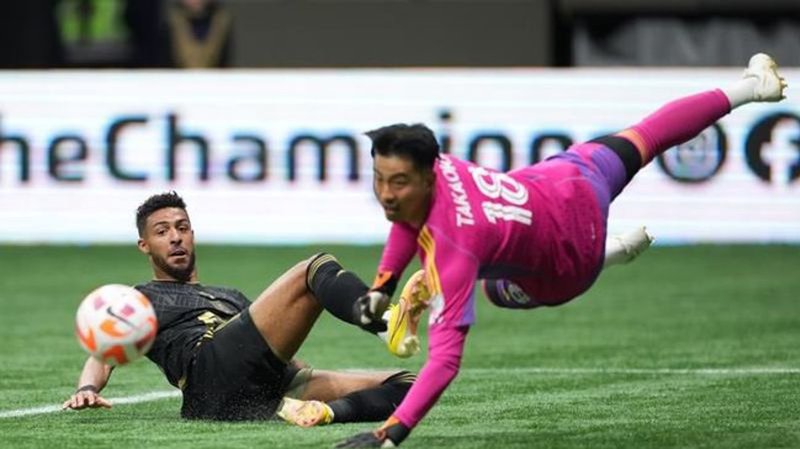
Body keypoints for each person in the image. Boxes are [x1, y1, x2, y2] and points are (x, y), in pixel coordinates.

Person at [333, 53, 788, 447]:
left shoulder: (452, 251)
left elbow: (445, 362)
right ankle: (752, 88)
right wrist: (383, 285)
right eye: (380, 180)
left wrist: (391, 431)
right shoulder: (438, 163)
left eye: (398, 182)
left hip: (571, 263)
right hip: (569, 182)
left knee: (494, 292)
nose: (386, 194)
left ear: (427, 176)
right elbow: (406, 219)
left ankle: (607, 254)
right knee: (646, 135)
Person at [62, 191, 414, 425]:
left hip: (259, 392)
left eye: (182, 228)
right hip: (208, 377)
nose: (175, 237)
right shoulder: (142, 298)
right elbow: (104, 351)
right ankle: (384, 321)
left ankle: (323, 413)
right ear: (145, 245)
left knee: (410, 384)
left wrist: (309, 379)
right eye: (162, 231)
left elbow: (268, 348)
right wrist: (86, 389)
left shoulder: (228, 295)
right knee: (315, 267)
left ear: (193, 234)